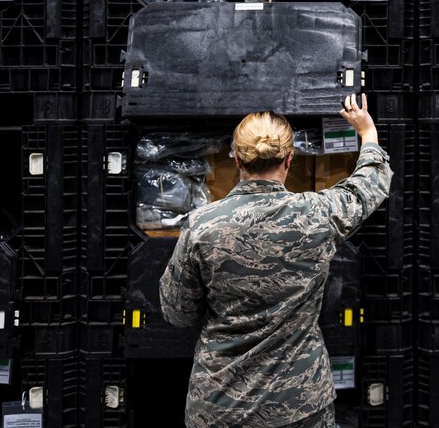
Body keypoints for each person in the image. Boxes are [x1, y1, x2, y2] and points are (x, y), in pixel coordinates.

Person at [160, 94, 392, 428]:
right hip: (299, 405)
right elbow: (367, 186)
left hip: (220, 407)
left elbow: (177, 312)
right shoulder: (318, 215)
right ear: (289, 159)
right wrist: (367, 134)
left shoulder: (202, 225)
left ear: (237, 158)